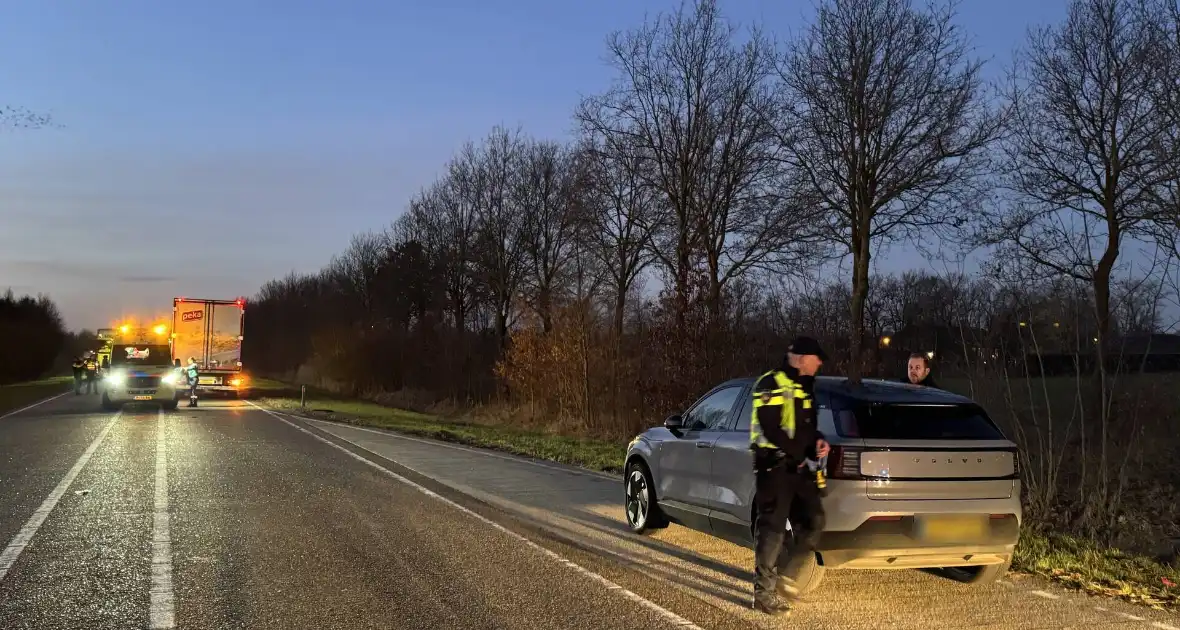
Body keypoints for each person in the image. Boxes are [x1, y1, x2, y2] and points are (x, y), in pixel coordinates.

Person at [749, 336, 830, 616]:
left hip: (799, 469)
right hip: (774, 468)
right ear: (800, 358)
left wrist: (818, 441)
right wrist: (800, 452)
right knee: (772, 531)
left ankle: (788, 578)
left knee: (814, 521)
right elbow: (771, 429)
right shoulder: (770, 384)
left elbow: (806, 428)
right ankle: (763, 593)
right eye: (815, 357)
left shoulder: (806, 388)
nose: (819, 362)